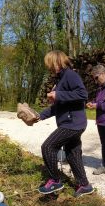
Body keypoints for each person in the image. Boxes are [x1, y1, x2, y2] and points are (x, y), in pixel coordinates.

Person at [36, 50, 94, 198]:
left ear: (58, 62)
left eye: (50, 64)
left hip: (72, 123)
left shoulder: (70, 75)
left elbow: (83, 95)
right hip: (71, 123)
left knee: (48, 146)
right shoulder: (60, 80)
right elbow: (58, 107)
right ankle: (84, 185)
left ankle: (55, 180)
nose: (49, 68)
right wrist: (40, 116)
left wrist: (58, 95)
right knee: (72, 153)